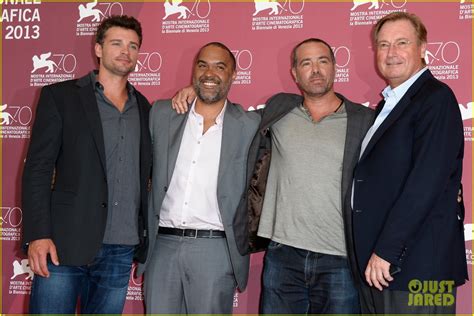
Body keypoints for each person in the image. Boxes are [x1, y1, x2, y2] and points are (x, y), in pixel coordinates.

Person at [172, 38, 374, 314]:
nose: (315, 70)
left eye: (322, 61)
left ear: (335, 67)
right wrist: (196, 90)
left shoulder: (364, 120)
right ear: (294, 73)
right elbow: (230, 116)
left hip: (338, 259)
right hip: (283, 255)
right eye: (306, 63)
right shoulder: (280, 110)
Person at [21, 15, 152, 314]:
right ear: (98, 48)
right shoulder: (61, 97)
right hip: (63, 243)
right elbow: (38, 170)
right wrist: (38, 234)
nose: (125, 51)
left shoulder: (145, 108)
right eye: (116, 43)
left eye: (133, 46)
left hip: (121, 247)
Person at [351, 12, 468, 314]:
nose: (391, 53)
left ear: (422, 48)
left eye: (402, 43)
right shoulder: (388, 104)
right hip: (386, 268)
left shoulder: (436, 99)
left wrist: (387, 251)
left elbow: (425, 184)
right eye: (383, 44)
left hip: (417, 268)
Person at [139, 42, 261, 314]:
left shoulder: (250, 125)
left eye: (220, 67)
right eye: (203, 65)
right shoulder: (161, 114)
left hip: (215, 250)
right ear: (193, 70)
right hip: (162, 247)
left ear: (233, 75)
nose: (209, 73)